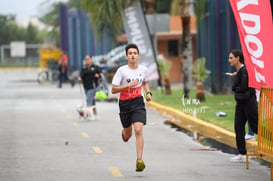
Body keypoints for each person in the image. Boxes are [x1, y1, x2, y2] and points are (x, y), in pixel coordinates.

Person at [111, 43, 152, 172]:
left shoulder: (143, 69)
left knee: (138, 129)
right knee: (128, 134)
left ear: (138, 56)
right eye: (130, 53)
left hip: (138, 102)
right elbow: (113, 90)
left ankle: (139, 160)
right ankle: (125, 133)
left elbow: (144, 82)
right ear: (126, 56)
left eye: (135, 53)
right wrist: (128, 86)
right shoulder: (122, 71)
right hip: (124, 104)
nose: (133, 55)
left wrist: (148, 93)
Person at [228, 49, 258, 162]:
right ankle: (241, 153)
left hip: (248, 104)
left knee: (256, 127)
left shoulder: (245, 71)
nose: (229, 60)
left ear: (237, 58)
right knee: (238, 127)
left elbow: (244, 88)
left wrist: (235, 88)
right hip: (241, 104)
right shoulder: (241, 72)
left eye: (231, 58)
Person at [78, 54, 101, 121]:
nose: (87, 61)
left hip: (93, 87)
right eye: (86, 59)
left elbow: (101, 74)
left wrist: (98, 75)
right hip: (86, 87)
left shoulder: (95, 67)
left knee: (88, 100)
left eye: (88, 59)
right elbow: (81, 75)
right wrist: (79, 78)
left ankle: (89, 115)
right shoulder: (84, 68)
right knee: (92, 101)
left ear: (91, 59)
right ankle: (95, 115)